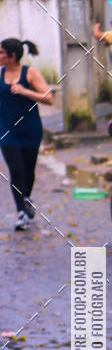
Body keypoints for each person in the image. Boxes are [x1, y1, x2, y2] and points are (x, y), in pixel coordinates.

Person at [0, 38, 52, 231]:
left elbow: (48, 98)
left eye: (1, 53)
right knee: (16, 170)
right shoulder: (0, 74)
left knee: (28, 171)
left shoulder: (30, 73)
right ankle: (21, 212)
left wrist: (24, 91)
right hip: (7, 131)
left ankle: (26, 198)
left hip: (30, 130)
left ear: (12, 56)